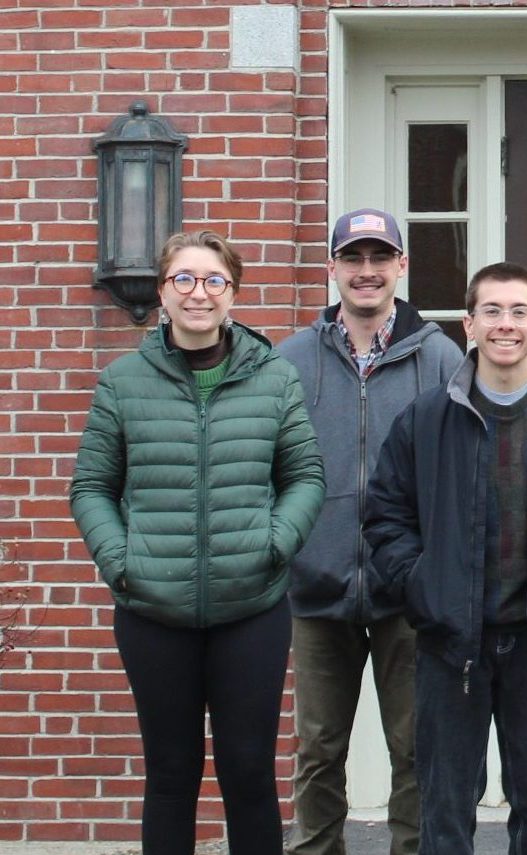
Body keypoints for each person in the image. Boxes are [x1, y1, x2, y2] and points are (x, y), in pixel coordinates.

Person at [362, 262, 527, 855]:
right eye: (491, 311)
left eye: (517, 312)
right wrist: (421, 586)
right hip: (449, 643)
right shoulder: (426, 419)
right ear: (469, 325)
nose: (504, 324)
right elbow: (385, 516)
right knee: (444, 809)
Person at [70, 231, 326, 854]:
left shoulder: (274, 378)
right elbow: (91, 487)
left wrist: (274, 543)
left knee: (249, 774)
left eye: (214, 280)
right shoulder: (123, 382)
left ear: (232, 293)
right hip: (152, 609)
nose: (198, 293)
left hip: (252, 608)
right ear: (162, 291)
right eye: (183, 279)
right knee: (170, 776)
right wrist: (122, 561)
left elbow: (306, 476)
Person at [278, 208, 464, 855]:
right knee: (318, 748)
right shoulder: (290, 360)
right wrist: (288, 550)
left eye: (379, 257)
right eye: (352, 258)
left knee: (414, 747)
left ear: (401, 265)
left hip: (407, 592)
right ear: (332, 267)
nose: (366, 271)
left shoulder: (439, 358)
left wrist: (433, 567)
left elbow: (461, 473)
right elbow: (267, 465)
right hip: (315, 586)